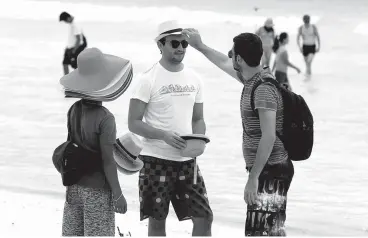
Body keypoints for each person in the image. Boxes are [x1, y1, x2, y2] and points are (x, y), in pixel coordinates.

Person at [182, 28, 294, 236]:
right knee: (267, 232)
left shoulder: (263, 90)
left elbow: (268, 137)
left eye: (233, 53)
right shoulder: (254, 78)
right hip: (268, 169)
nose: (229, 56)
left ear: (240, 59)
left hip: (271, 170)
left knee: (264, 233)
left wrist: (253, 178)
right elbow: (224, 63)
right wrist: (200, 46)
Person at [128, 20, 213, 236]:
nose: (181, 48)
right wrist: (163, 135)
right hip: (155, 160)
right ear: (160, 45)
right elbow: (134, 122)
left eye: (185, 44)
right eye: (175, 43)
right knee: (157, 221)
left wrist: (199, 140)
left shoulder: (195, 78)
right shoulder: (147, 79)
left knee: (204, 217)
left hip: (187, 161)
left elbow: (198, 118)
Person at [59, 48, 130, 236]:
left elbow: (70, 147)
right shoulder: (106, 118)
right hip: (97, 189)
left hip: (74, 186)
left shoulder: (73, 110)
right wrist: (118, 194)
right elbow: (108, 160)